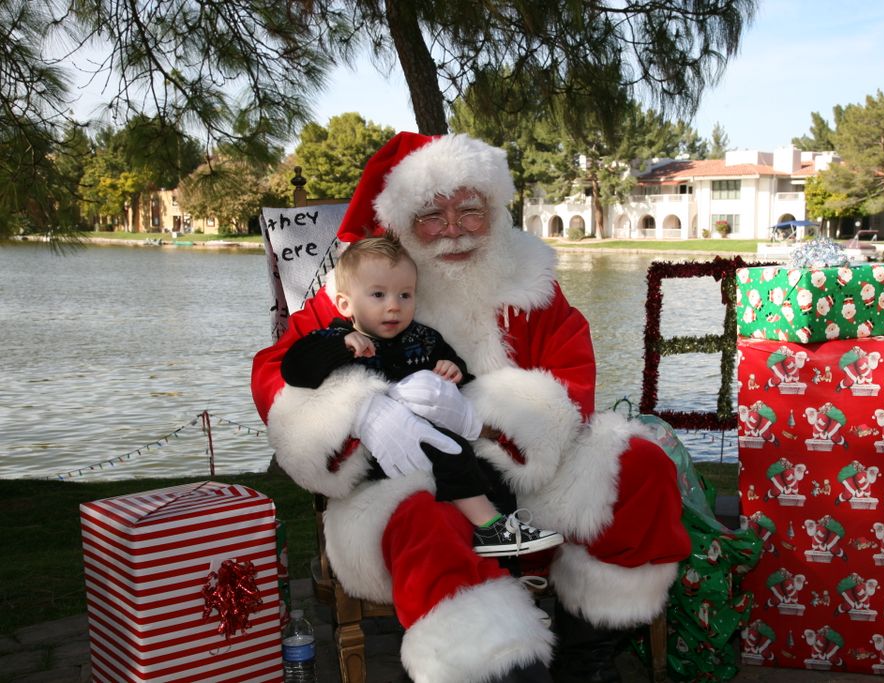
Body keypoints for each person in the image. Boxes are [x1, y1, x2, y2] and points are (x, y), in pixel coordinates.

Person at [252, 132, 691, 683]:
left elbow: (572, 376)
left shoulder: (529, 281)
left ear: (497, 209)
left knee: (641, 469)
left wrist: (479, 415)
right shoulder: (369, 283)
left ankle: (586, 660)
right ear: (401, 221)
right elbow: (276, 370)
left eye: (471, 210)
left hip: (525, 467)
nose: (454, 229)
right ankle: (495, 670)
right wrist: (361, 411)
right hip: (414, 478)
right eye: (432, 215)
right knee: (428, 523)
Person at [280, 232, 564, 558]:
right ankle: (490, 528)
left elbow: (457, 375)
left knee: (487, 467)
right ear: (345, 303)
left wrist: (452, 368)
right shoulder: (334, 337)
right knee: (453, 451)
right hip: (379, 453)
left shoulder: (422, 338)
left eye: (405, 295)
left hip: (428, 435)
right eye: (378, 295)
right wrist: (340, 347)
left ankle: (507, 550)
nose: (393, 306)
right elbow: (295, 368)